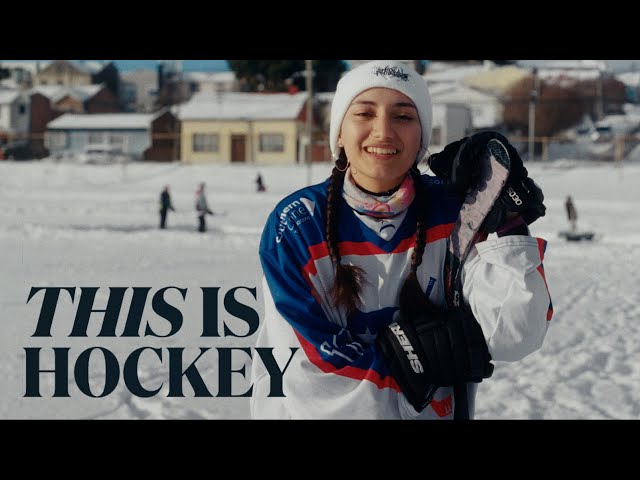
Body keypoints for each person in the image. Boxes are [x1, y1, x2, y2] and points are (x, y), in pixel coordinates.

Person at [250, 60, 552, 420]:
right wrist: (412, 365)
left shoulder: (456, 211)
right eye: (364, 113)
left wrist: (508, 221)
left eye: (404, 117)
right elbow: (306, 373)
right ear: (339, 133)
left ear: (422, 137)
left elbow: (514, 333)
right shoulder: (298, 223)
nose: (384, 132)